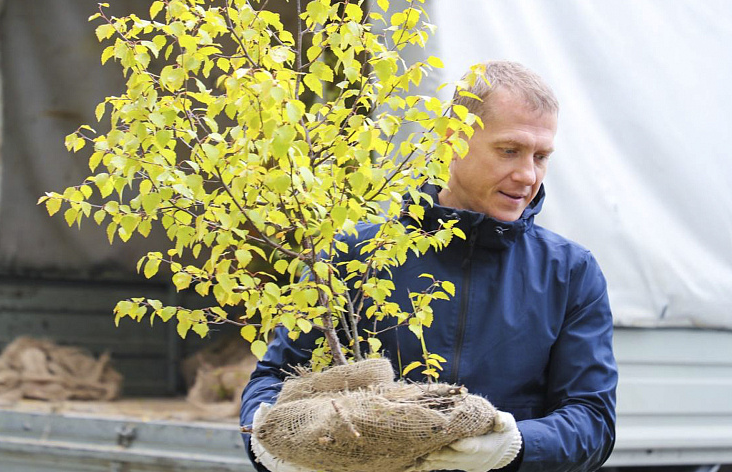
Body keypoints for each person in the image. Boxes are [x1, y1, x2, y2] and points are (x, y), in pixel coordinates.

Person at [240, 61, 618, 472]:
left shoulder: (570, 273)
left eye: (541, 156)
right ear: (454, 139)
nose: (528, 175)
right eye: (509, 150)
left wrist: (517, 445)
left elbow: (593, 420)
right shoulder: (352, 253)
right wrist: (267, 445)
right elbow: (275, 378)